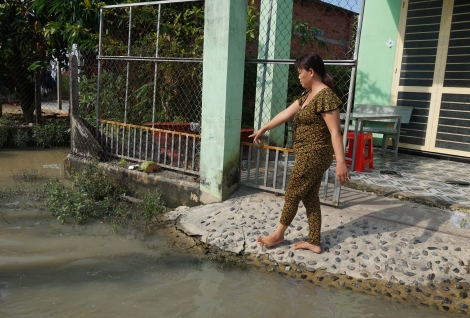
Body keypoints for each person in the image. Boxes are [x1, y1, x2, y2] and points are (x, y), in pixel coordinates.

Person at [249, 52, 350, 254]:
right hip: (306, 154)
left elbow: (334, 132)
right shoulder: (308, 96)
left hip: (315, 154)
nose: (298, 77)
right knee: (309, 196)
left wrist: (340, 161)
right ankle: (314, 241)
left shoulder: (326, 96)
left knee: (293, 191)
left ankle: (278, 234)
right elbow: (286, 113)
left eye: (299, 72)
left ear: (311, 72)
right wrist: (264, 128)